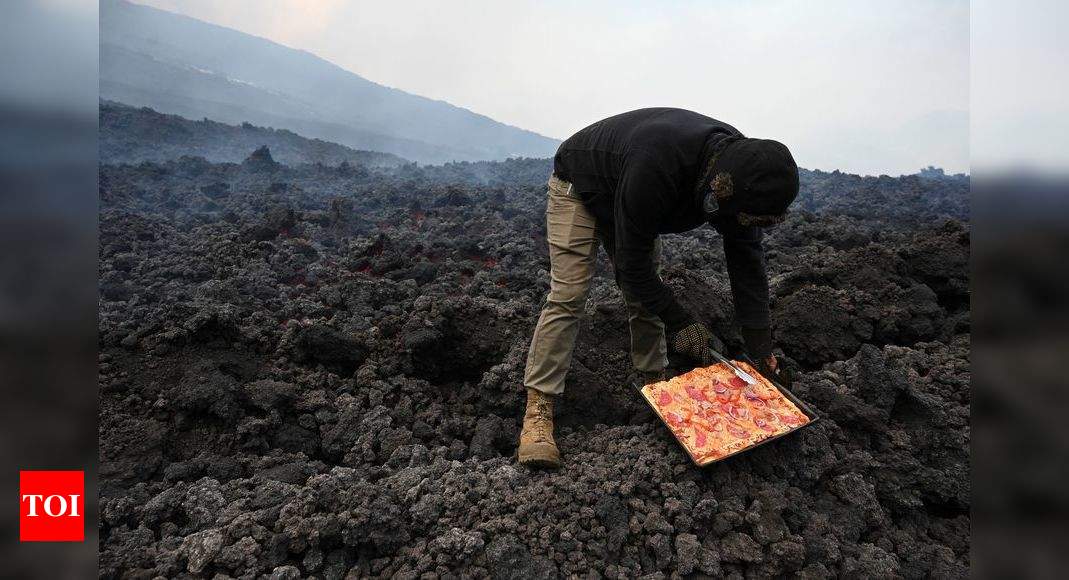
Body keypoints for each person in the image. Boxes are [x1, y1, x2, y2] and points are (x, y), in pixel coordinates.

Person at [517, 108, 799, 468]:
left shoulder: (748, 174)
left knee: (645, 300)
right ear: (716, 187)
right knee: (569, 294)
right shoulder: (658, 167)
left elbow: (747, 265)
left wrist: (760, 351)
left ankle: (655, 387)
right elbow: (632, 268)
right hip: (582, 187)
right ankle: (538, 410)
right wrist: (683, 324)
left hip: (633, 193)